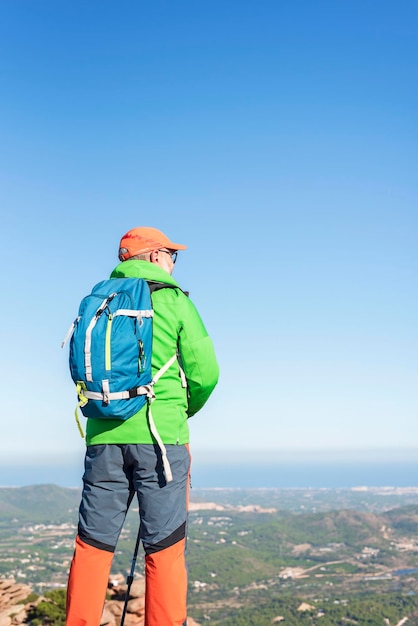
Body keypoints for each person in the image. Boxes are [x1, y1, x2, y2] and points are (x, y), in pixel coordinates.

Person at [66, 226, 219, 626]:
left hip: (102, 436)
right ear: (152, 256)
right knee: (164, 548)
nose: (172, 261)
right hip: (160, 439)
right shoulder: (173, 300)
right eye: (171, 254)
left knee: (92, 543)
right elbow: (206, 374)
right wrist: (180, 413)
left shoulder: (98, 299)